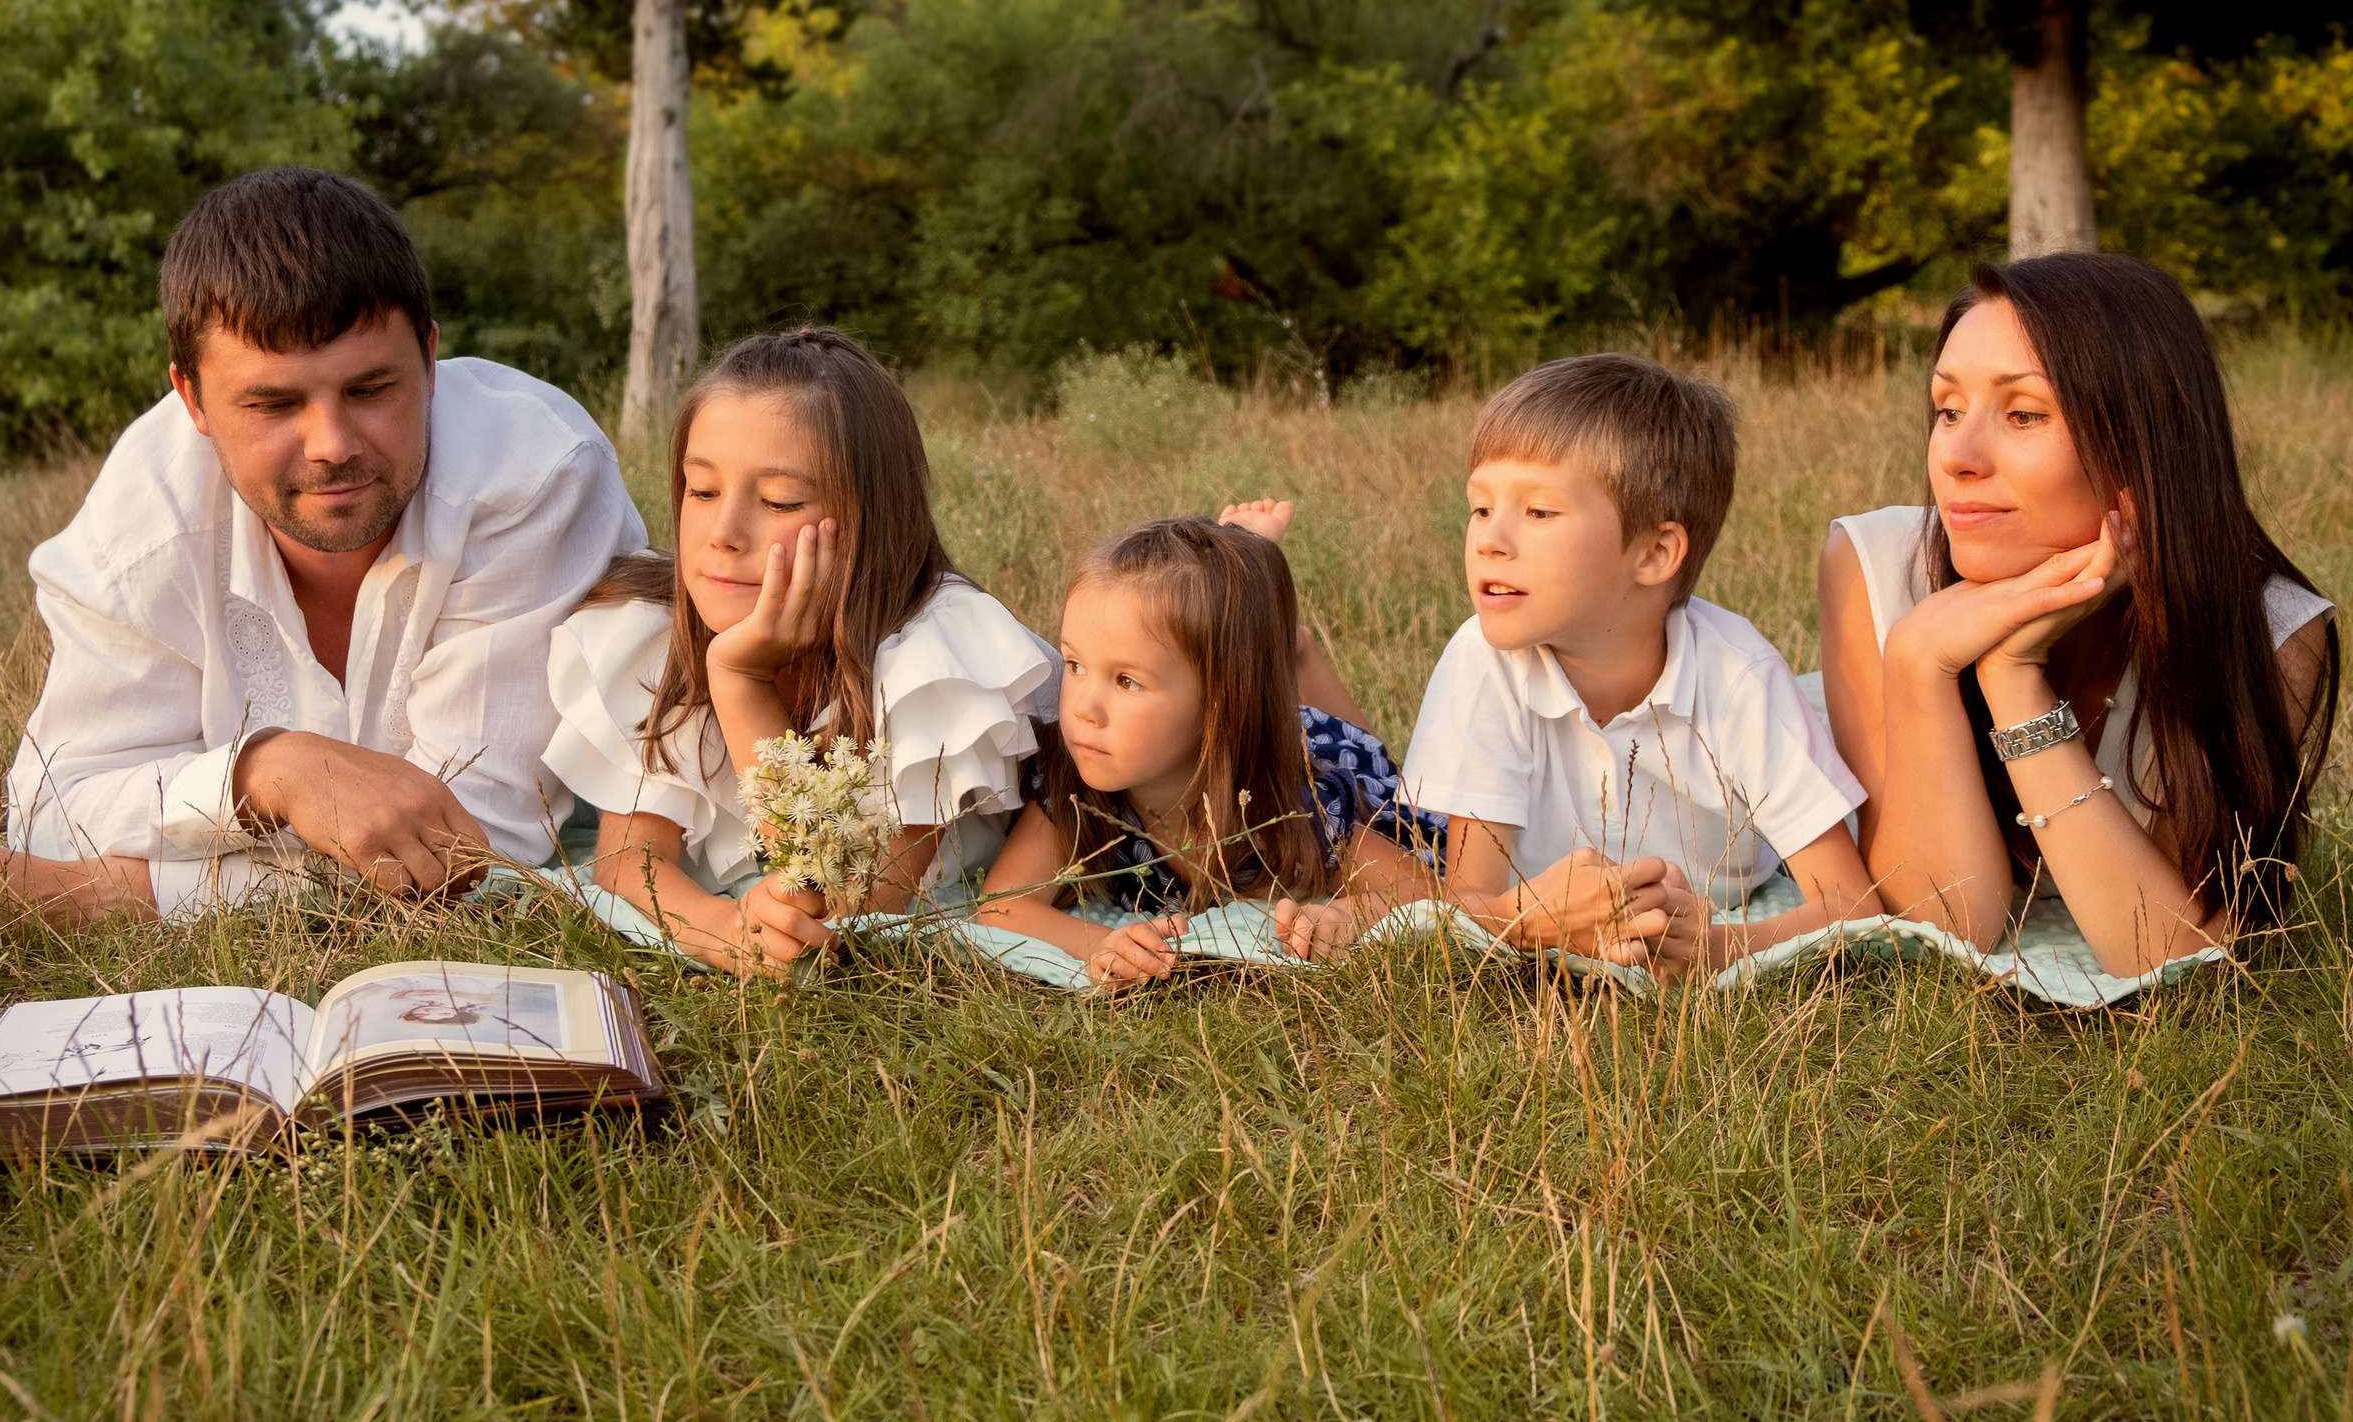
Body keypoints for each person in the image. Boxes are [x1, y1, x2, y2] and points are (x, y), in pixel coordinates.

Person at [0, 167, 649, 923]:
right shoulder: (145, 524)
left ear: (428, 362)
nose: (331, 444)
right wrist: (265, 771)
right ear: (190, 399)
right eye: (274, 403)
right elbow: (54, 807)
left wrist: (115, 890)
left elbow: (472, 846)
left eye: (368, 390)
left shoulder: (535, 476)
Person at [1820, 252, 2338, 982]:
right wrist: (1918, 659)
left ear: (2146, 440)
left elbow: (2166, 954)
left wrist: (2013, 676)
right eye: (1947, 409)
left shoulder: (2269, 627)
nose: (1958, 457)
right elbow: (1947, 918)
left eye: (2024, 413)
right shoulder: (1875, 565)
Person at [544, 327, 1060, 970]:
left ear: (873, 520)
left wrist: (739, 682)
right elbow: (627, 864)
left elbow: (851, 905)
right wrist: (722, 928)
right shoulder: (653, 636)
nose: (724, 534)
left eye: (779, 501)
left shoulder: (933, 663)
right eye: (701, 490)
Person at [1398, 354, 1880, 970]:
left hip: (1739, 853)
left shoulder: (1738, 678)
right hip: (1555, 904)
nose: (1489, 539)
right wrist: (1529, 925)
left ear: (1654, 553)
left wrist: (1716, 948)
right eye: (1481, 508)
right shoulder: (1483, 659)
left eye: (1539, 512)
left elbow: (1852, 903)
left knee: (1830, 719)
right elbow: (1470, 896)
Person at [972, 517, 1438, 985]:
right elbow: (1003, 906)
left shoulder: (1295, 804)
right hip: (1238, 713)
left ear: (1219, 702)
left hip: (1310, 744)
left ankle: (1291, 647)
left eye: (1127, 681)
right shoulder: (1074, 780)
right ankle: (1253, 614)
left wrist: (1349, 915)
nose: (1083, 710)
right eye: (1074, 665)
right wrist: (1099, 942)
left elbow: (1426, 893)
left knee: (1362, 754)